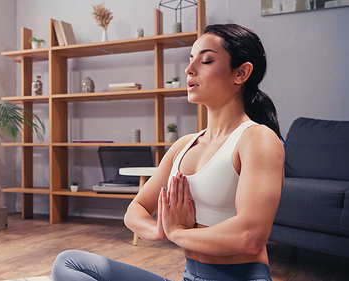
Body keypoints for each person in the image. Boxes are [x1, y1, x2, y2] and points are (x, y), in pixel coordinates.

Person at [51, 23, 284, 281]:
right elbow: (135, 210)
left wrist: (178, 233)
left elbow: (249, 236)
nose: (189, 69)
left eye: (206, 60)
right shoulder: (183, 146)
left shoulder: (257, 139)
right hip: (190, 277)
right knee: (69, 263)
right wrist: (161, 230)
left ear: (240, 73)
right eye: (190, 59)